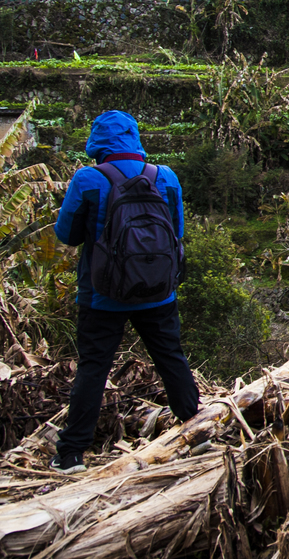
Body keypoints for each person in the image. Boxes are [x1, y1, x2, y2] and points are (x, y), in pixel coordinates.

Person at [50, 110, 199, 474]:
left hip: (102, 294)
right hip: (159, 292)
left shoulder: (88, 178)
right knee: (171, 358)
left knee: (94, 367)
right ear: (135, 137)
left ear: (97, 141)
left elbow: (67, 235)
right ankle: (197, 433)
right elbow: (176, 232)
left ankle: (71, 455)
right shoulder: (165, 176)